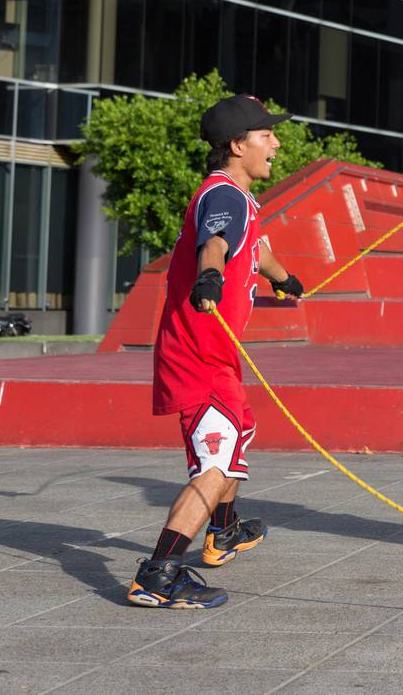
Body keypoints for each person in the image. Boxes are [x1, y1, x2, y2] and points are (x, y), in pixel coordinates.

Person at [126, 94, 305, 608]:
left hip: (214, 354)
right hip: (197, 355)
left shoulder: (240, 196)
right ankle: (158, 573)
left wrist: (284, 279)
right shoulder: (223, 196)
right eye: (265, 134)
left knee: (237, 436)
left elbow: (257, 249)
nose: (275, 142)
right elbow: (217, 243)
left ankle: (225, 529)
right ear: (236, 145)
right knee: (218, 463)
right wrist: (210, 275)